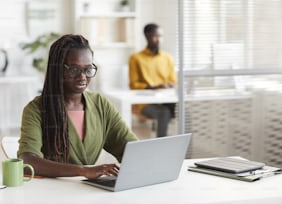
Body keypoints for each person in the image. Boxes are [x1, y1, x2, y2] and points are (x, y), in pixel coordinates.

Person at [18, 34, 138, 179]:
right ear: (58, 69)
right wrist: (82, 171)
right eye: (74, 70)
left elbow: (132, 149)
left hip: (89, 192)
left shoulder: (100, 104)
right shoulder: (36, 110)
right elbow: (27, 160)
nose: (82, 77)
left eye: (88, 70)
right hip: (51, 192)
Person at [129, 23, 177, 137]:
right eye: (155, 36)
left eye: (161, 36)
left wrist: (169, 85)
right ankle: (161, 148)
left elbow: (173, 81)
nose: (159, 39)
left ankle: (184, 151)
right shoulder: (136, 58)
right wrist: (155, 86)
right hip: (144, 103)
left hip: (166, 100)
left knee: (185, 113)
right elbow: (134, 84)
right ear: (147, 36)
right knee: (164, 113)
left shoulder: (168, 58)